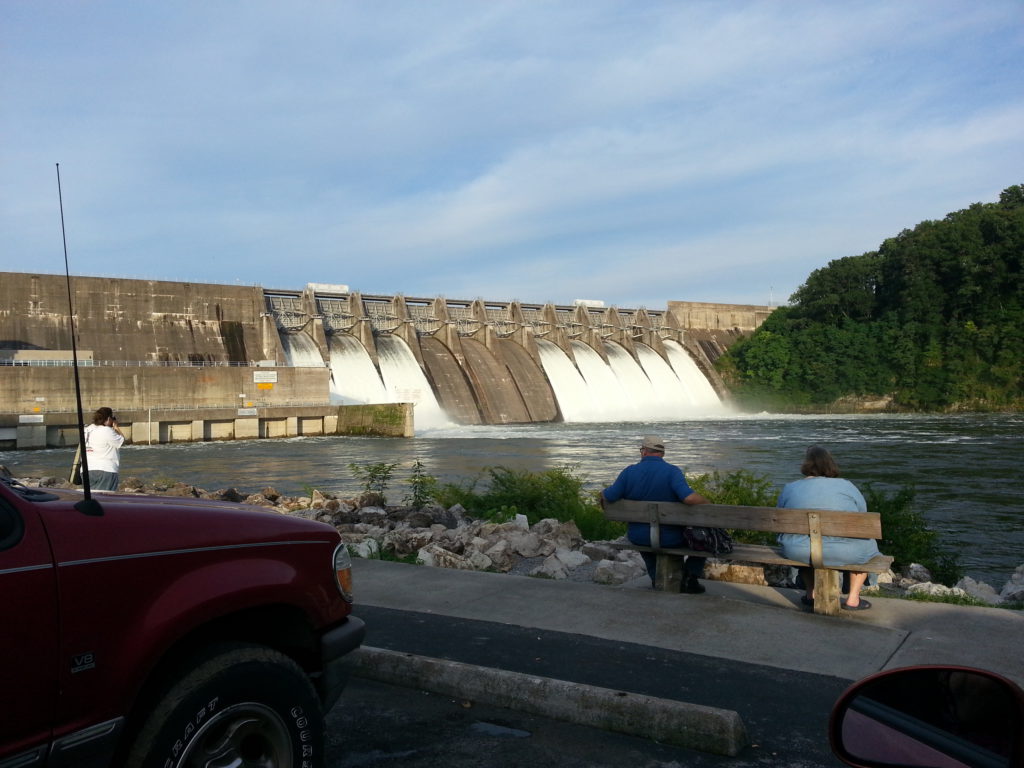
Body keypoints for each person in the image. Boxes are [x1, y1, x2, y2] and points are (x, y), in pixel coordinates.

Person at [601, 435, 711, 594]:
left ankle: (656, 578)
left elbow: (609, 496)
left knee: (646, 542)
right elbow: (689, 498)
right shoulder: (672, 472)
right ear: (662, 453)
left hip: (639, 536)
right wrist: (708, 503)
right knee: (704, 539)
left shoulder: (628, 472)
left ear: (644, 452)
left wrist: (601, 496)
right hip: (670, 538)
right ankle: (690, 577)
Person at [777, 445, 882, 611]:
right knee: (869, 543)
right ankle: (853, 598)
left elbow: (780, 518)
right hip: (846, 553)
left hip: (799, 551)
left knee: (804, 541)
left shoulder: (790, 488)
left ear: (806, 464)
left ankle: (811, 594)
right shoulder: (847, 486)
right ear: (831, 464)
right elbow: (863, 515)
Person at [83, 406, 125, 491]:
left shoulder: (87, 430)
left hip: (87, 470)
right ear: (109, 418)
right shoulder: (106, 430)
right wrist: (116, 427)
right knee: (105, 500)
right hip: (106, 470)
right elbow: (121, 441)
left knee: (92, 499)